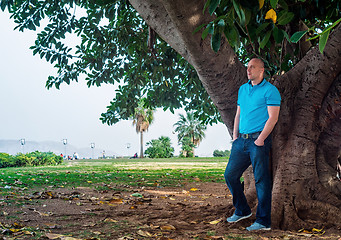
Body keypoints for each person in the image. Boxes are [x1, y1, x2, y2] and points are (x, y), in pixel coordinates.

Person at [224, 58, 281, 231]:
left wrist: (261, 139)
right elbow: (238, 114)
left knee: (261, 180)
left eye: (252, 67)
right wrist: (235, 136)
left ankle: (263, 222)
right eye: (247, 67)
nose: (248, 70)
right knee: (230, 175)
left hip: (258, 141)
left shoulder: (271, 91)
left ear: (261, 70)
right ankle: (242, 210)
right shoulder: (243, 89)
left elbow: (273, 117)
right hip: (241, 140)